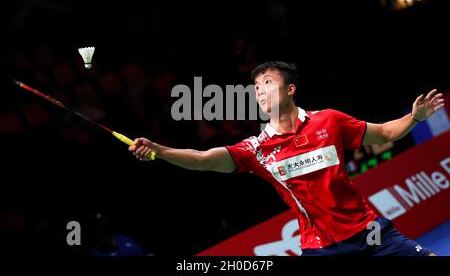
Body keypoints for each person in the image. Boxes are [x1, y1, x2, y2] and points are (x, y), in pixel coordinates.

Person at [129, 61, 444, 256]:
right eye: (255, 87)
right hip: (322, 248)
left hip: (371, 232)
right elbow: (202, 159)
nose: (260, 91)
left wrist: (415, 118)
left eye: (267, 82)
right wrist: (160, 149)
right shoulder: (257, 149)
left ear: (291, 89)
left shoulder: (328, 121)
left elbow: (386, 133)